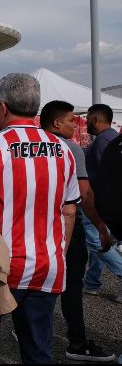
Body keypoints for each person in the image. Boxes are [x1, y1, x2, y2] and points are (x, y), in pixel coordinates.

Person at [0, 73, 80, 363]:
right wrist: (59, 252)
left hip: (2, 264)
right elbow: (69, 210)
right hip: (48, 263)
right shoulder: (63, 149)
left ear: (2, 107)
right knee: (38, 345)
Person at [39, 100, 115, 361]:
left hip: (32, 229)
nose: (77, 124)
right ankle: (77, 342)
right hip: (66, 226)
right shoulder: (71, 148)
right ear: (57, 122)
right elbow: (85, 193)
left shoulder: (27, 147)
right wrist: (102, 227)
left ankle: (32, 330)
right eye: (72, 120)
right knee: (71, 285)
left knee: (35, 284)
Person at [82, 103, 122, 300]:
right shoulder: (110, 139)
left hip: (96, 203)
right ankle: (92, 282)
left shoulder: (105, 141)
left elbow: (109, 178)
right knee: (99, 242)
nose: (86, 121)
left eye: (88, 118)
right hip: (100, 203)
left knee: (97, 240)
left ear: (96, 119)